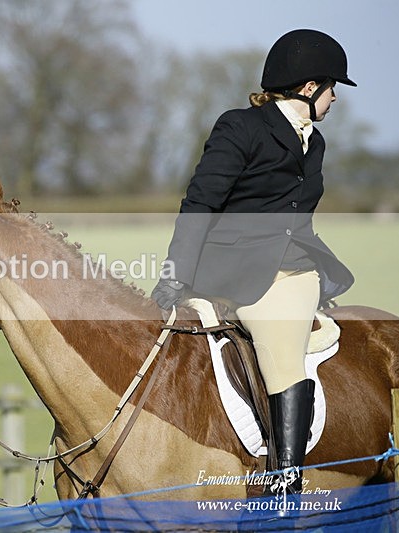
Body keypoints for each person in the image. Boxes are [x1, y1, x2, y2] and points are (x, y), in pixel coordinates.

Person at [151, 29, 356, 496]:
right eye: (332, 87)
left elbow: (295, 221)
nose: (335, 98)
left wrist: (320, 276)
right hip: (223, 273)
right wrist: (174, 274)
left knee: (284, 359)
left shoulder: (315, 143)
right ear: (309, 88)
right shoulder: (240, 127)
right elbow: (201, 203)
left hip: (289, 275)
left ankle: (286, 484)